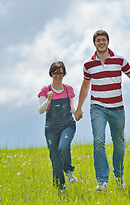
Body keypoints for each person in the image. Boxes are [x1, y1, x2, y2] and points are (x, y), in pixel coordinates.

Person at [75, 30, 130, 191]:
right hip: (98, 108)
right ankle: (102, 181)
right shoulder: (88, 65)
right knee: (98, 140)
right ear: (94, 43)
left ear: (108, 42)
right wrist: (79, 108)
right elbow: (85, 86)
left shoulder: (119, 60)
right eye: (98, 40)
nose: (101, 42)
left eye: (103, 40)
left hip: (117, 108)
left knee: (119, 145)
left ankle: (119, 176)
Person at [38, 61, 77, 190]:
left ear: (64, 74)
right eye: (55, 73)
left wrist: (77, 112)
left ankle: (68, 170)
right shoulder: (45, 90)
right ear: (51, 74)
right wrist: (48, 100)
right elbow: (40, 110)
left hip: (67, 125)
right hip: (51, 129)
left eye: (60, 73)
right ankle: (60, 188)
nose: (58, 76)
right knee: (55, 159)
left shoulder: (68, 89)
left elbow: (72, 107)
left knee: (63, 147)